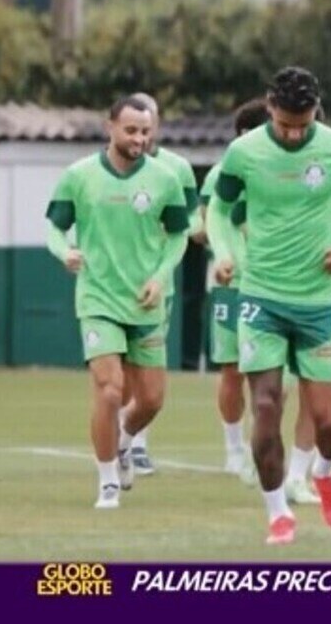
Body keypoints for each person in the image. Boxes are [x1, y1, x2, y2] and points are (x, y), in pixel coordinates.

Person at [207, 66, 331, 545]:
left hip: (318, 302)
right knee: (266, 403)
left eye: (303, 123)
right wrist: (225, 254)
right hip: (261, 297)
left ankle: (322, 472)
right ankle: (277, 512)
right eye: (285, 123)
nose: (294, 133)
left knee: (330, 425)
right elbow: (217, 210)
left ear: (316, 109)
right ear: (270, 107)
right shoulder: (245, 152)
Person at [44, 96, 190, 508]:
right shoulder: (79, 176)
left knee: (152, 399)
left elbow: (179, 235)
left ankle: (124, 440)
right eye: (130, 130)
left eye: (145, 132)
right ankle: (107, 479)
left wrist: (161, 277)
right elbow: (55, 229)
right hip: (98, 299)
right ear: (109, 126)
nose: (138, 139)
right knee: (110, 391)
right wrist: (64, 252)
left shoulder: (165, 179)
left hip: (145, 302)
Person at [203, 98, 321, 503]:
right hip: (233, 284)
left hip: (290, 288)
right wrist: (228, 254)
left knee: (284, 382)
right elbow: (213, 220)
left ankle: (276, 460)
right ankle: (236, 448)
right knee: (235, 371)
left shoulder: (312, 172)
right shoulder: (228, 171)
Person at [119, 92, 199, 476]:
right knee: (120, 374)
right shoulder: (106, 171)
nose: (141, 134)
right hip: (115, 286)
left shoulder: (177, 169)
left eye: (148, 124)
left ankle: (138, 445)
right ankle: (119, 440)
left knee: (146, 371)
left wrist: (204, 233)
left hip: (158, 286)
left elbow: (189, 220)